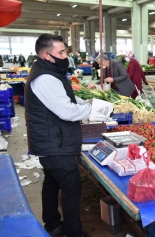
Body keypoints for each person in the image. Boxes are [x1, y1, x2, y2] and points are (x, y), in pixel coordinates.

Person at [24, 34, 91, 237]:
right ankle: (74, 232)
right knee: (71, 188)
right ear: (46, 55)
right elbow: (67, 112)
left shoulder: (50, 71)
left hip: (51, 143)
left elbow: (65, 98)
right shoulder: (44, 78)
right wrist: (90, 109)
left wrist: (81, 101)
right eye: (61, 52)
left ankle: (53, 224)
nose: (65, 56)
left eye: (65, 52)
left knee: (51, 183)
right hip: (56, 145)